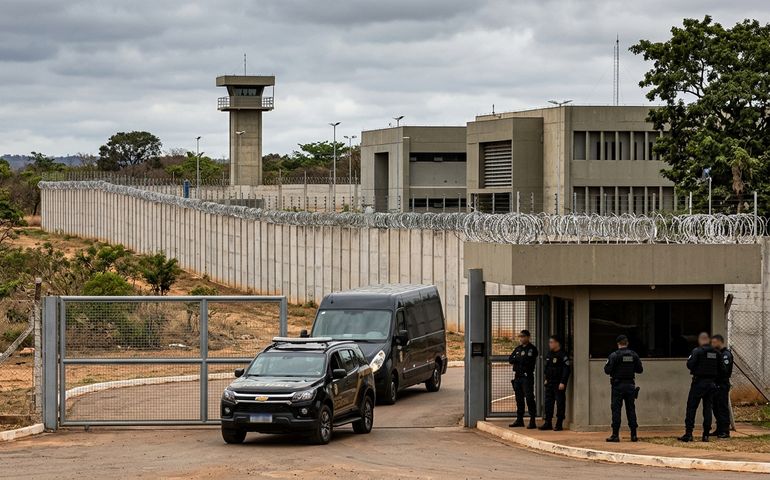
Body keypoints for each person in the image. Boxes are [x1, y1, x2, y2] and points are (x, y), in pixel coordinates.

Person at [678, 332, 726, 443]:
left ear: (700, 340)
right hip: (711, 384)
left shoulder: (697, 351)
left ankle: (689, 433)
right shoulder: (717, 353)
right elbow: (722, 369)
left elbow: (689, 364)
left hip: (698, 383)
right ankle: (705, 435)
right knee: (707, 409)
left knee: (691, 407)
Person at [604, 335, 644, 442]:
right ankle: (634, 435)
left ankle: (615, 434)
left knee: (616, 409)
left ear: (618, 344)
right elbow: (640, 369)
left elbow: (607, 370)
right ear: (627, 343)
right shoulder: (633, 355)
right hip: (630, 385)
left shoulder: (614, 355)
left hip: (618, 386)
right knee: (631, 409)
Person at [508, 330, 538, 429]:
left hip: (527, 377)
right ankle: (519, 419)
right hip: (518, 377)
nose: (520, 338)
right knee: (519, 399)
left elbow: (527, 360)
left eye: (523, 336)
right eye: (519, 336)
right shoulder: (518, 348)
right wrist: (519, 359)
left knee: (529, 398)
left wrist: (519, 359)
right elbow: (511, 359)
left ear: (528, 337)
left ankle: (532, 419)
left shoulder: (532, 349)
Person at [539, 335, 570, 431]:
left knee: (560, 403)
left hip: (558, 383)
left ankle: (559, 423)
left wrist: (563, 382)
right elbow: (547, 368)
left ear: (557, 343)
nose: (550, 344)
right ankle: (548, 422)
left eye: (551, 342)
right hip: (550, 382)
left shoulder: (563, 355)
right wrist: (546, 378)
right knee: (548, 403)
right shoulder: (550, 354)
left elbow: (566, 370)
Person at [709, 334, 733, 439]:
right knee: (715, 407)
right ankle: (719, 428)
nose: (712, 344)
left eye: (714, 342)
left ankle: (725, 430)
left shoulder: (725, 355)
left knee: (722, 407)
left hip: (722, 384)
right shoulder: (717, 354)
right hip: (715, 384)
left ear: (719, 342)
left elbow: (724, 370)